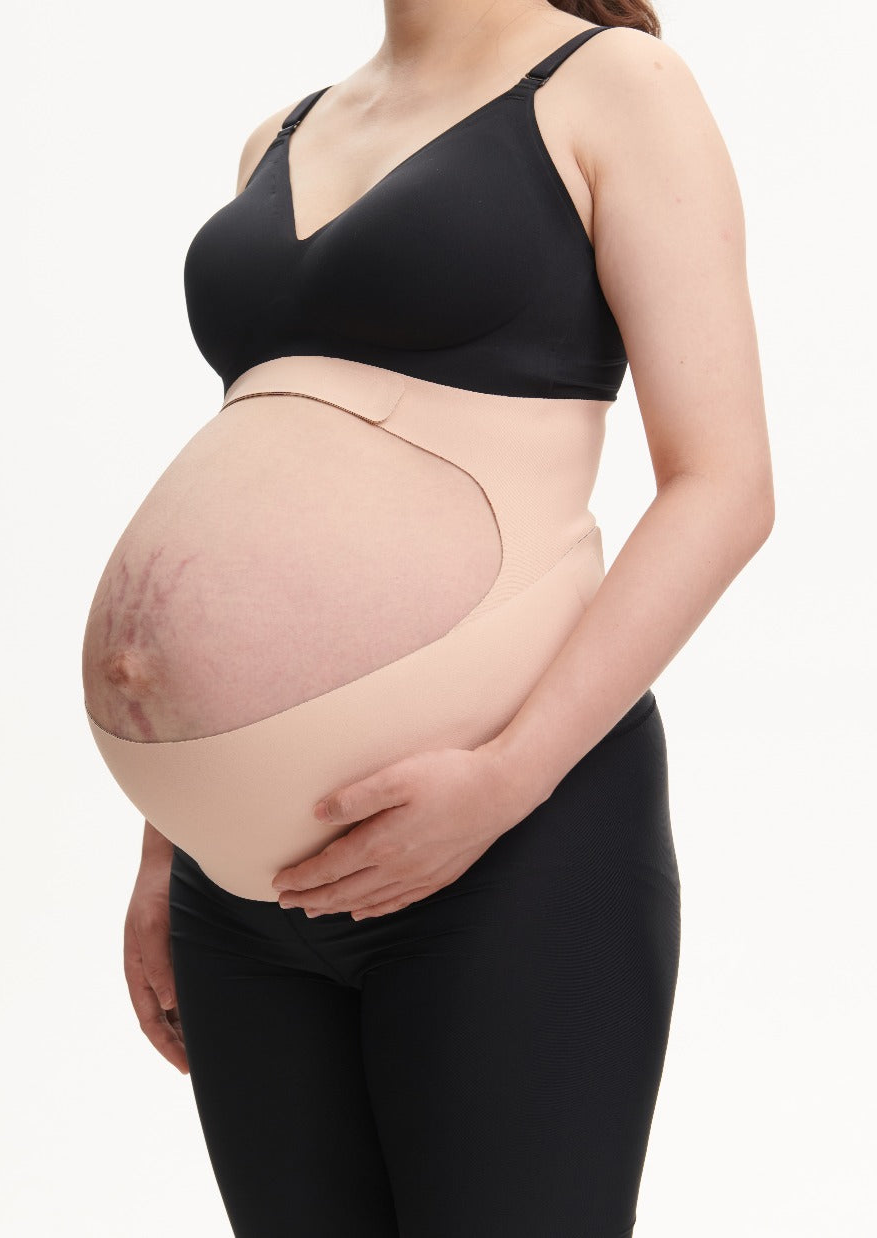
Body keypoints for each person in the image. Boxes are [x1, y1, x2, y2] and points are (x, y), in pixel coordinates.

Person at [90, 1, 773, 1232]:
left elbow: (723, 487)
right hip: (236, 896)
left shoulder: (613, 86)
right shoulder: (278, 139)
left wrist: (506, 778)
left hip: (512, 846)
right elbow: (265, 468)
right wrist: (167, 839)